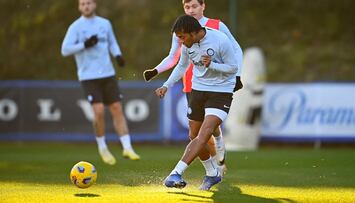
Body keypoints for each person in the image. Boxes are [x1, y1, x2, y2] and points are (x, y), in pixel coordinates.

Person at [144, 0, 243, 170]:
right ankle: (214, 166)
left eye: (194, 6)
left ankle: (219, 148)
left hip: (217, 82)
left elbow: (236, 49)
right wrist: (156, 71)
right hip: (192, 83)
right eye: (187, 7)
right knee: (198, 131)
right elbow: (175, 58)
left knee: (209, 125)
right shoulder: (181, 29)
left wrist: (238, 75)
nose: (190, 10)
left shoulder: (216, 26)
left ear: (203, 6)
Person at [155, 15, 238, 190]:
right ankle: (212, 174)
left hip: (221, 92)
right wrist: (166, 85)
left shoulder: (220, 40)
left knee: (205, 133)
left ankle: (175, 173)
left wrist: (212, 66)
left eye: (182, 37)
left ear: (194, 33)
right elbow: (182, 66)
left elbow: (233, 68)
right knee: (194, 136)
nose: (181, 41)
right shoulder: (187, 44)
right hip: (198, 90)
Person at [61, 0, 140, 165]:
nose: (86, 6)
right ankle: (102, 147)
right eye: (82, 4)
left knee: (117, 108)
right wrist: (84, 44)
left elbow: (112, 42)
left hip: (108, 73)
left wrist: (118, 55)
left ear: (94, 4)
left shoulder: (105, 23)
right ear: (79, 7)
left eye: (88, 3)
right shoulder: (75, 27)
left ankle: (127, 147)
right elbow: (65, 49)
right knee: (98, 111)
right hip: (88, 76)